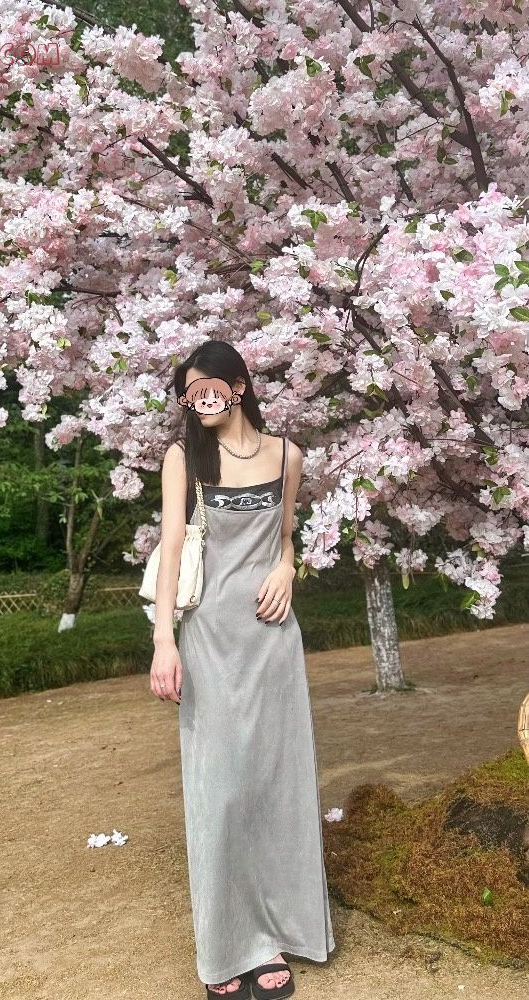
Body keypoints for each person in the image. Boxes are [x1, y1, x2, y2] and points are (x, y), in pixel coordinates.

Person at [149, 340, 336, 999]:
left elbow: (285, 539)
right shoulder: (184, 457)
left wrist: (286, 569)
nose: (200, 400)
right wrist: (163, 640)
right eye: (189, 391)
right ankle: (226, 944)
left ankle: (270, 937)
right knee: (220, 792)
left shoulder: (287, 456)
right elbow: (172, 548)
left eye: (209, 387)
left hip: (271, 640)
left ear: (238, 386)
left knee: (275, 787)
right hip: (207, 640)